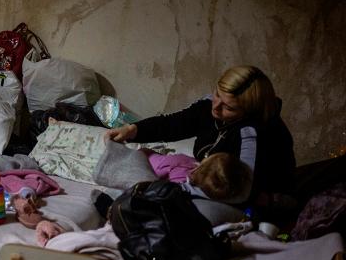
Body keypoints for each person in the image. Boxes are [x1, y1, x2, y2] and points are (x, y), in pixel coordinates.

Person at [105, 65, 295, 207]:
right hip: (212, 185)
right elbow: (173, 124)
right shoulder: (210, 106)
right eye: (217, 94)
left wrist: (183, 191)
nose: (216, 107)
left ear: (249, 111)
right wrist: (131, 130)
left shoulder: (253, 134)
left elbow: (244, 193)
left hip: (253, 200)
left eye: (228, 107)